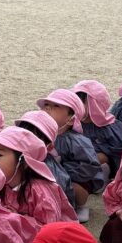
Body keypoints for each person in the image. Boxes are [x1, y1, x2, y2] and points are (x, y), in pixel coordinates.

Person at [0, 126, 76, 238]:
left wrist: (17, 219)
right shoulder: (1, 185)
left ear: (24, 162)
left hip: (53, 241)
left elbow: (50, 229)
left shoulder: (40, 191)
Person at [36, 89, 103, 223]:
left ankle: (81, 206)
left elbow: (89, 165)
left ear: (71, 120)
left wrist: (62, 173)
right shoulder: (38, 133)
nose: (48, 109)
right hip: (47, 176)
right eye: (46, 105)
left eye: (56, 106)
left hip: (72, 178)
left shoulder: (76, 141)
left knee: (77, 188)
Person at [14, 109, 75, 207]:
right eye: (21, 135)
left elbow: (53, 207)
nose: (25, 141)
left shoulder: (51, 174)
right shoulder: (15, 158)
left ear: (49, 146)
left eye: (33, 139)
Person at [73, 80, 122, 179]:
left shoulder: (109, 127)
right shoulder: (73, 122)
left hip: (100, 162)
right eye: (76, 101)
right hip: (77, 159)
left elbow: (119, 153)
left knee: (99, 157)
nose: (77, 106)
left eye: (82, 102)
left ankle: (102, 176)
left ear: (95, 105)